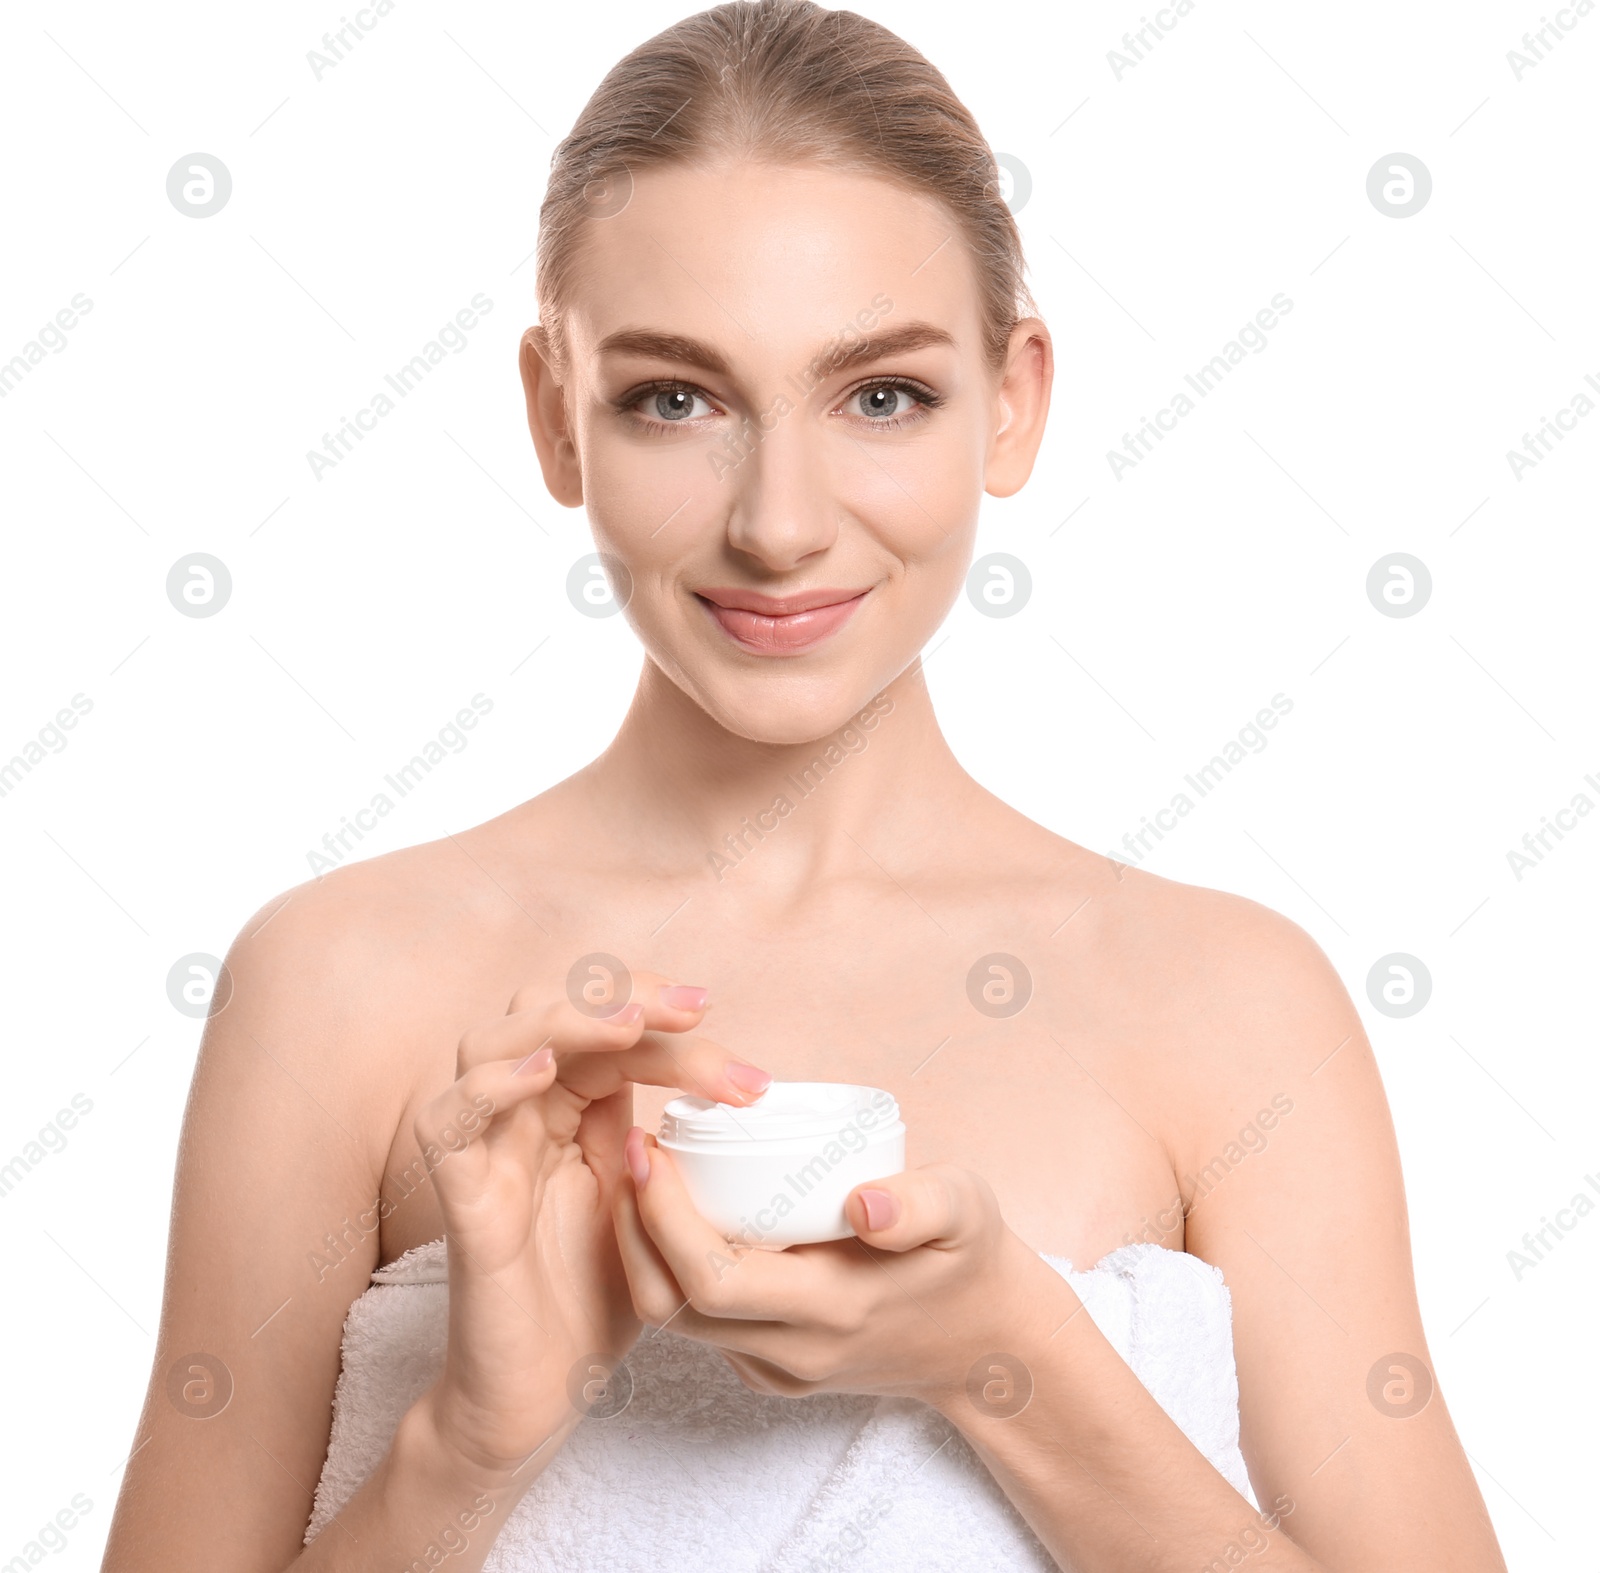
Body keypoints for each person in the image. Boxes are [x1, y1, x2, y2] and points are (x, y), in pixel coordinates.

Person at [103, 2, 1507, 1568]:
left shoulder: (1237, 1003)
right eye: (674, 399)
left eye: (881, 394)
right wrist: (473, 1436)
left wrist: (1014, 1365)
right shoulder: (331, 984)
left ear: (1014, 398)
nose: (779, 522)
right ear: (556, 414)